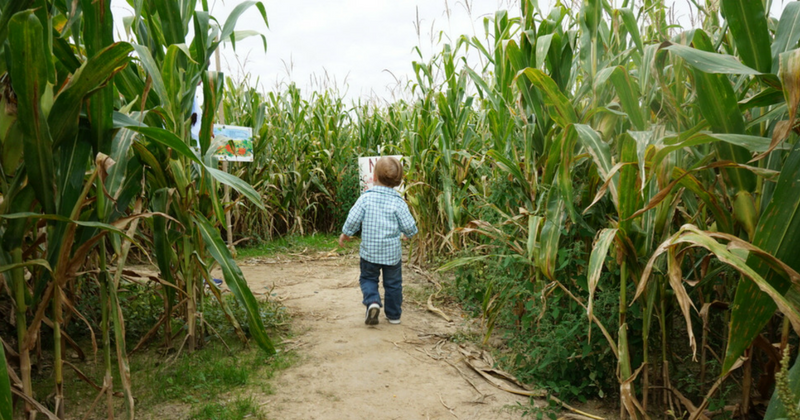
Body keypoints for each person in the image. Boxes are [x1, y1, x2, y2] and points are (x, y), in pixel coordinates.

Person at [339, 156, 418, 325]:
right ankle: (394, 315)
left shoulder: (366, 198)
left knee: (368, 279)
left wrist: (346, 233)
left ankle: (373, 301)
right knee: (394, 284)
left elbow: (353, 218)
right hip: (391, 255)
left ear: (374, 177)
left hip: (370, 253)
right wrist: (407, 234)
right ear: (398, 181)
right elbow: (410, 226)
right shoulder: (398, 202)